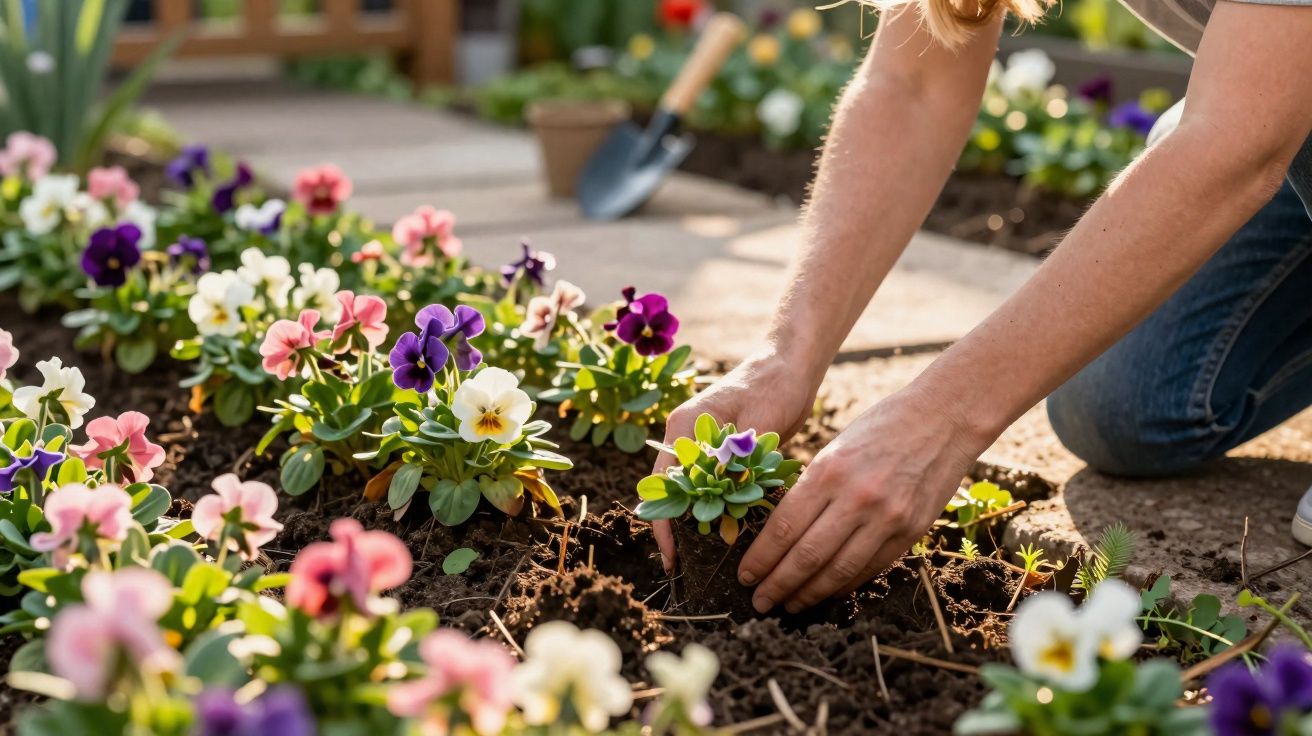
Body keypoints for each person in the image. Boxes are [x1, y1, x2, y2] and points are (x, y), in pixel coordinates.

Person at [651, 0, 1312, 615]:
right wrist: (786, 354)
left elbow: (1239, 142)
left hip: (1258, 117)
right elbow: (915, 83)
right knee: (1124, 406)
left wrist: (940, 418)